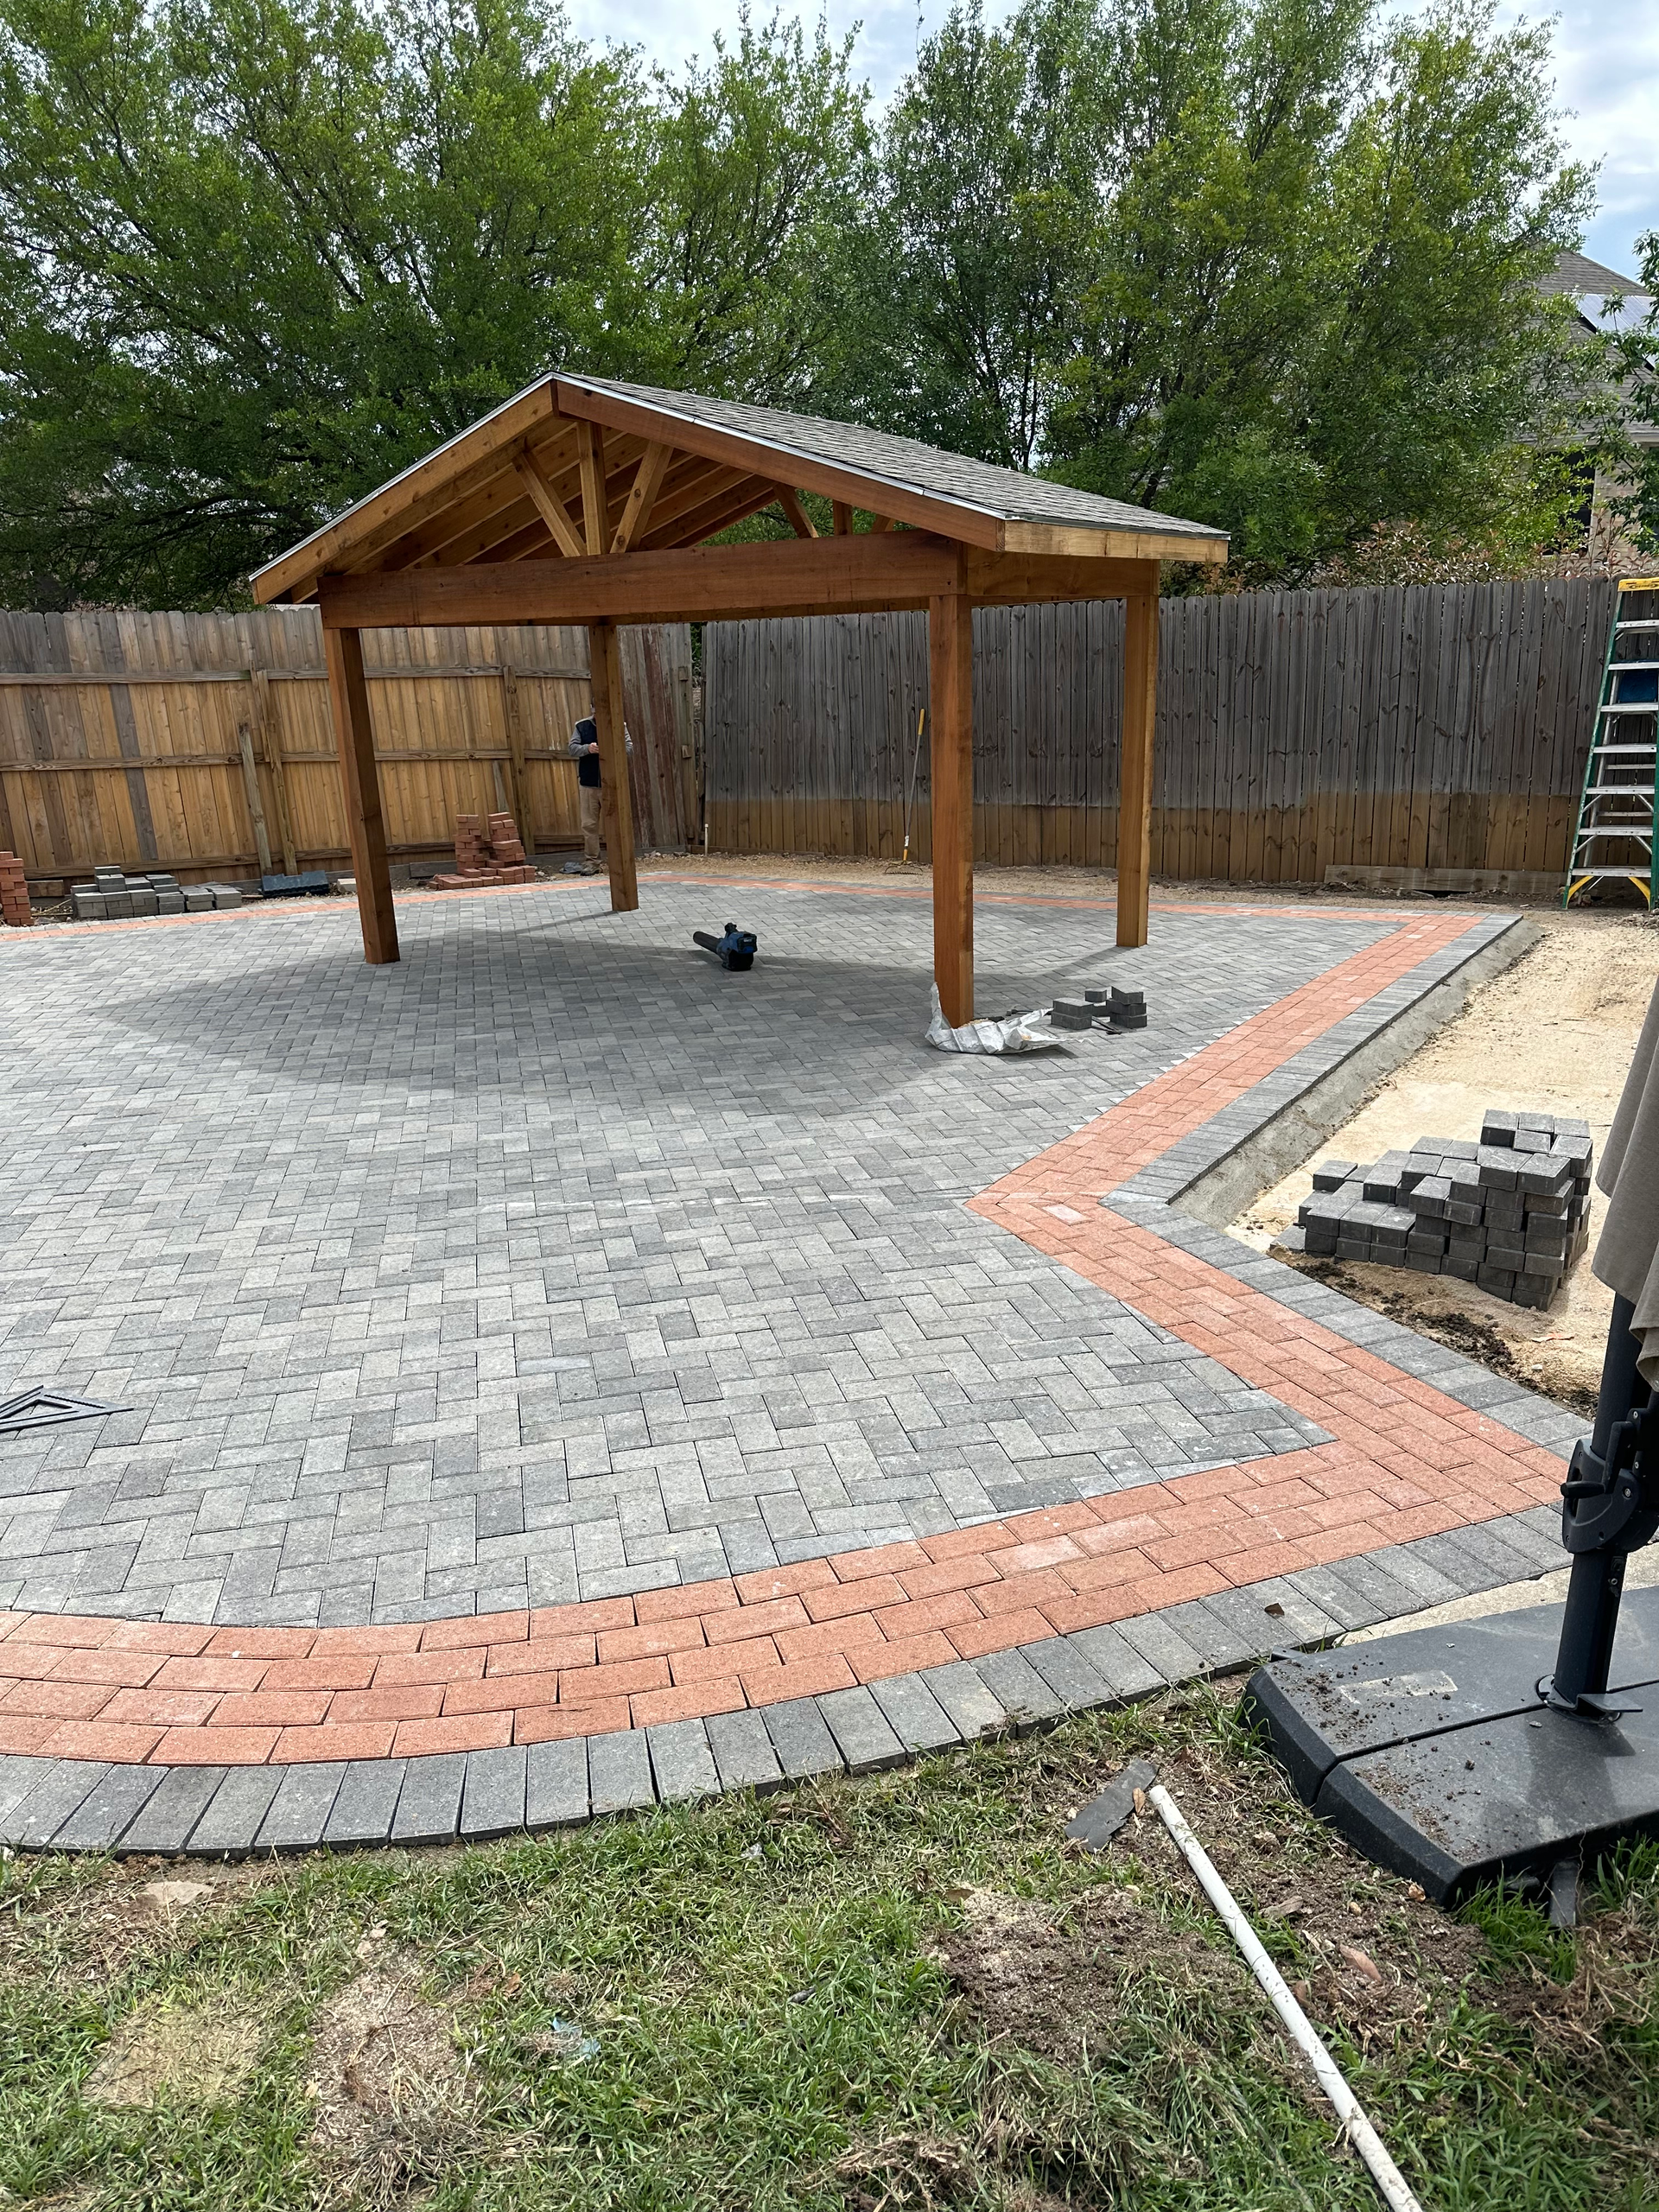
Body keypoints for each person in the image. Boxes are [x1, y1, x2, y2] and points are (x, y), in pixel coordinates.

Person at [569, 711, 632, 874]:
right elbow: (572, 748)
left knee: (617, 825)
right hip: (588, 785)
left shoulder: (620, 725)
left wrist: (613, 749)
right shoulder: (581, 726)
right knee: (589, 825)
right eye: (597, 710)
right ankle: (592, 863)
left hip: (612, 784)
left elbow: (629, 749)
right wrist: (587, 748)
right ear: (593, 709)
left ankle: (620, 862)